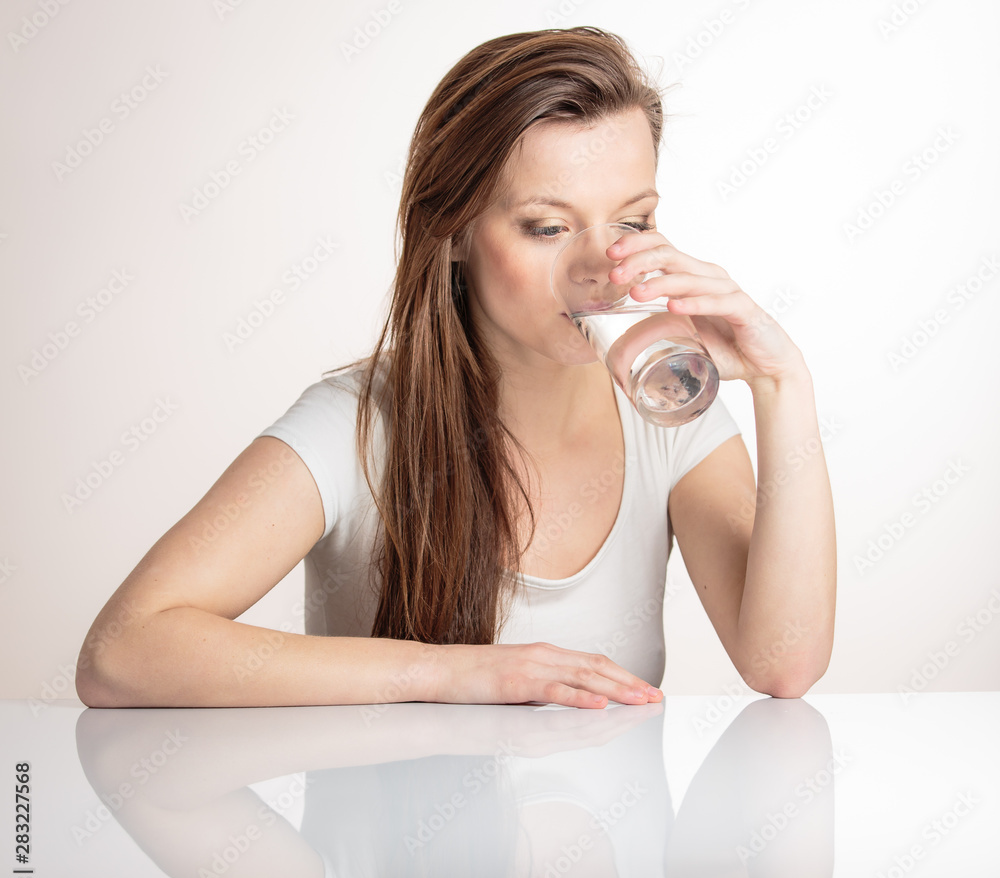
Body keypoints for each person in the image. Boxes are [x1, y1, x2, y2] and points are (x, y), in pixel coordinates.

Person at [75, 26, 836, 711]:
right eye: (547, 225)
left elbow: (783, 665)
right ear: (455, 234)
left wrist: (781, 382)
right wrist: (456, 674)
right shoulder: (356, 424)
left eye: (632, 222)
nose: (604, 266)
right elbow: (123, 653)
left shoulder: (667, 406)